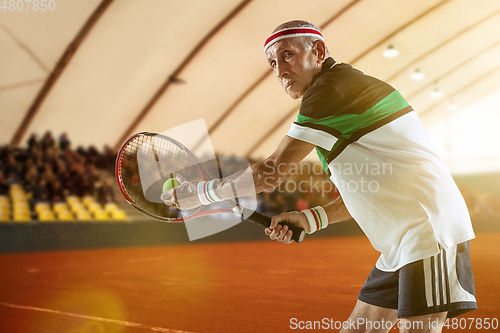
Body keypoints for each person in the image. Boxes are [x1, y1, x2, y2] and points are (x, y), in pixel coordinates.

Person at [161, 20, 476, 332]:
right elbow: (362, 193)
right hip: (402, 243)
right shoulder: (337, 101)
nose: (280, 71)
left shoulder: (332, 91)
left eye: (287, 55)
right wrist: (309, 219)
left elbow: (269, 173)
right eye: (272, 63)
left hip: (430, 231)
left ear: (319, 51)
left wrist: (198, 194)